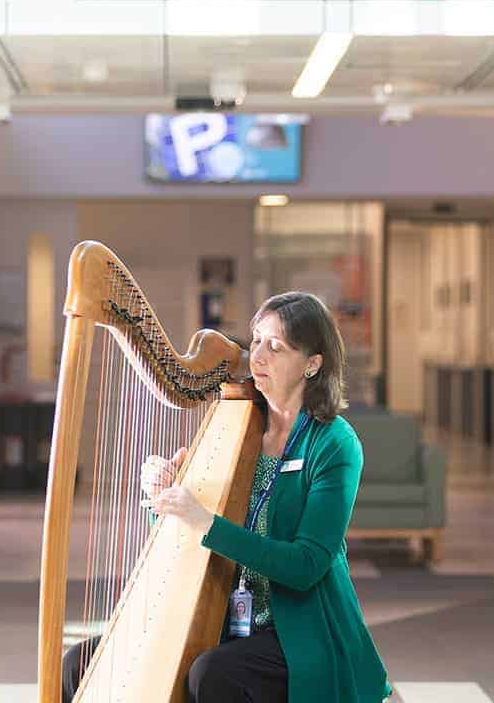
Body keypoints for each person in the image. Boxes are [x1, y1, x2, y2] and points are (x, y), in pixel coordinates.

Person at [63, 292, 391, 703]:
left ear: (312, 364)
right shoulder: (239, 427)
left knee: (214, 675)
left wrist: (203, 521)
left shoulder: (334, 443)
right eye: (256, 341)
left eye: (277, 347)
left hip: (298, 628)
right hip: (226, 618)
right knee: (80, 662)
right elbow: (190, 540)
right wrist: (163, 499)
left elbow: (306, 565)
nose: (258, 357)